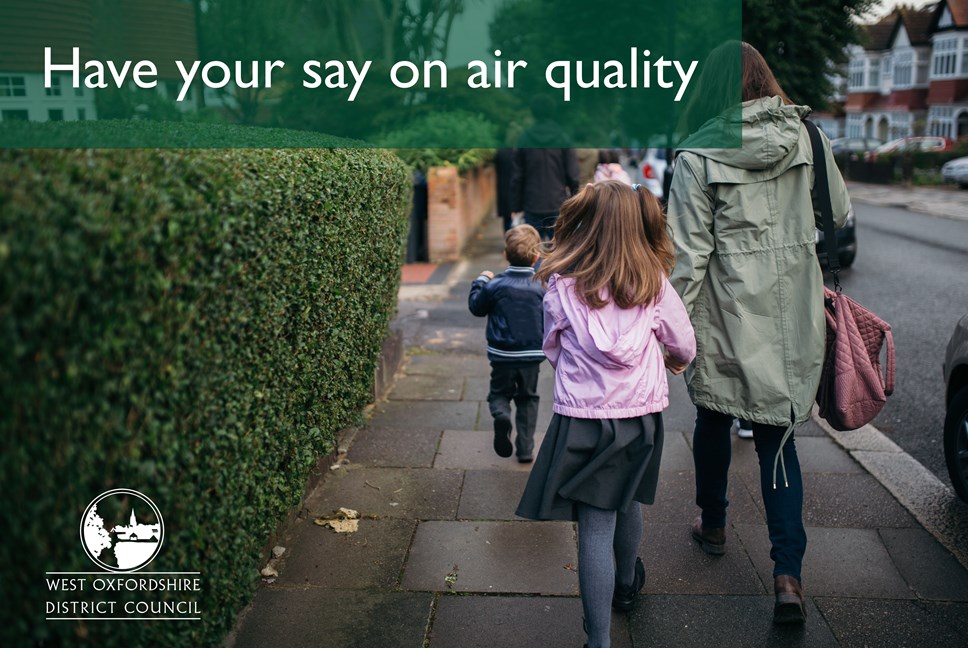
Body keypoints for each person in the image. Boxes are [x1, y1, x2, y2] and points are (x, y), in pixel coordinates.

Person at [667, 42, 850, 625]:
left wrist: (667, 336)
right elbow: (837, 213)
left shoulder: (697, 157)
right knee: (778, 440)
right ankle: (788, 577)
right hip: (793, 313)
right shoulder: (811, 140)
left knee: (714, 415)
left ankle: (714, 523)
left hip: (725, 318)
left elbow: (688, 259)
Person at [516, 181, 696, 648]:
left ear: (586, 223)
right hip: (640, 416)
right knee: (629, 499)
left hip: (581, 420)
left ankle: (598, 640)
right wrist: (671, 360)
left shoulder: (562, 284)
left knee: (595, 522)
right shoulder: (654, 281)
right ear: (637, 224)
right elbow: (684, 345)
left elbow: (552, 348)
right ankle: (627, 587)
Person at [468, 224, 546, 462]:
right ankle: (525, 449)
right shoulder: (541, 287)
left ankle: (502, 414)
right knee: (528, 398)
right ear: (536, 257)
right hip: (532, 355)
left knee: (499, 394)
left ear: (505, 254)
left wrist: (480, 280)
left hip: (502, 354)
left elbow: (476, 307)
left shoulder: (495, 285)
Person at [511, 95, 580, 241]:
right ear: (552, 111)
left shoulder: (524, 139)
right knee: (561, 250)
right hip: (557, 202)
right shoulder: (562, 138)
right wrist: (574, 201)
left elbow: (518, 176)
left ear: (533, 112)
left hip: (532, 202)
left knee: (531, 250)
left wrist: (516, 206)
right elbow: (573, 175)